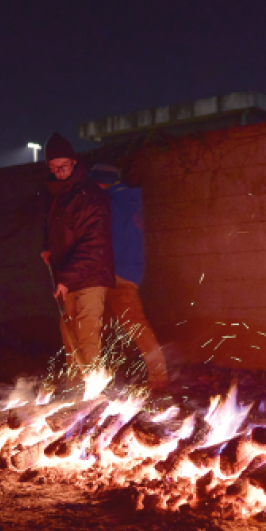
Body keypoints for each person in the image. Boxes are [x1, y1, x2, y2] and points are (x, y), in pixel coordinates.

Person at [88, 163, 169, 392]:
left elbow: (105, 241)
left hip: (115, 274)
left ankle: (159, 381)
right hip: (128, 272)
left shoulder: (113, 205)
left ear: (100, 183)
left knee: (133, 327)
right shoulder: (128, 202)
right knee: (125, 328)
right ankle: (113, 381)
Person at [41, 133, 115, 379]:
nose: (58, 172)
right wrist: (48, 247)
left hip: (90, 277)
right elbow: (56, 229)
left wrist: (67, 278)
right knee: (69, 335)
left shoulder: (89, 196)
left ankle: (94, 393)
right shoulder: (59, 196)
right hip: (67, 276)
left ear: (74, 163)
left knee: (86, 335)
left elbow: (96, 244)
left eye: (63, 166)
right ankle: (78, 397)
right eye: (53, 167)